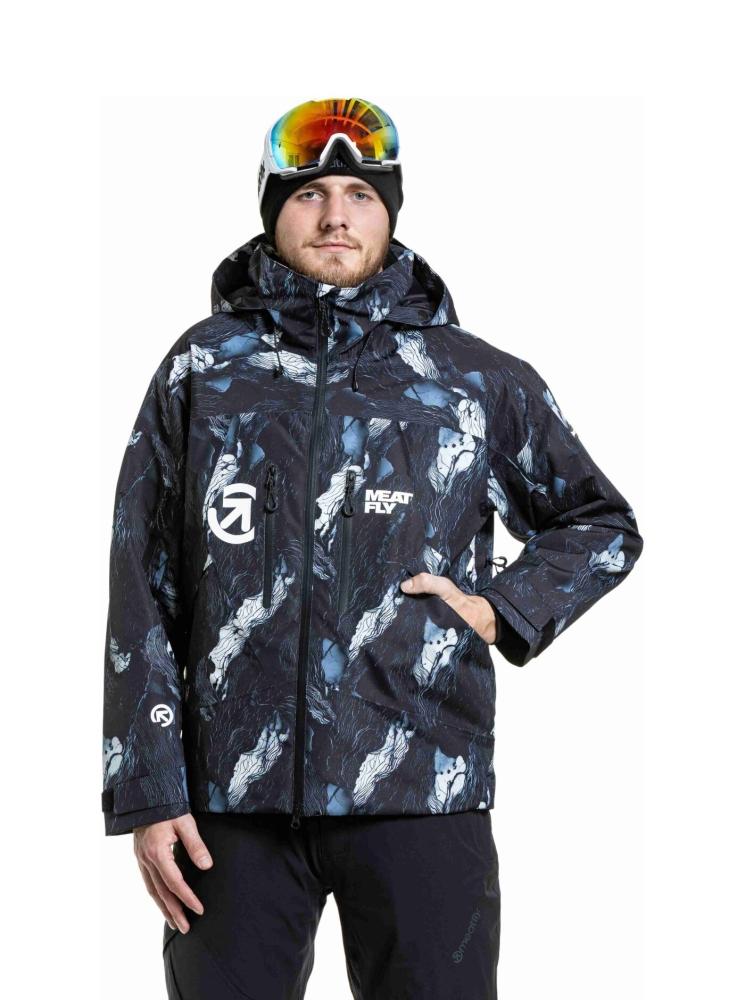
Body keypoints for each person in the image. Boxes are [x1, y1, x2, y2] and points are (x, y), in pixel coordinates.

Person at [101, 97, 644, 999]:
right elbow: (141, 581)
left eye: (360, 194)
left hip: (420, 783)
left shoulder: (471, 378)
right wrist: (148, 791)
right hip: (229, 805)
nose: (335, 216)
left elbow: (599, 523)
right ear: (273, 211)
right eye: (308, 194)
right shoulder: (205, 369)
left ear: (389, 212)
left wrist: (499, 608)